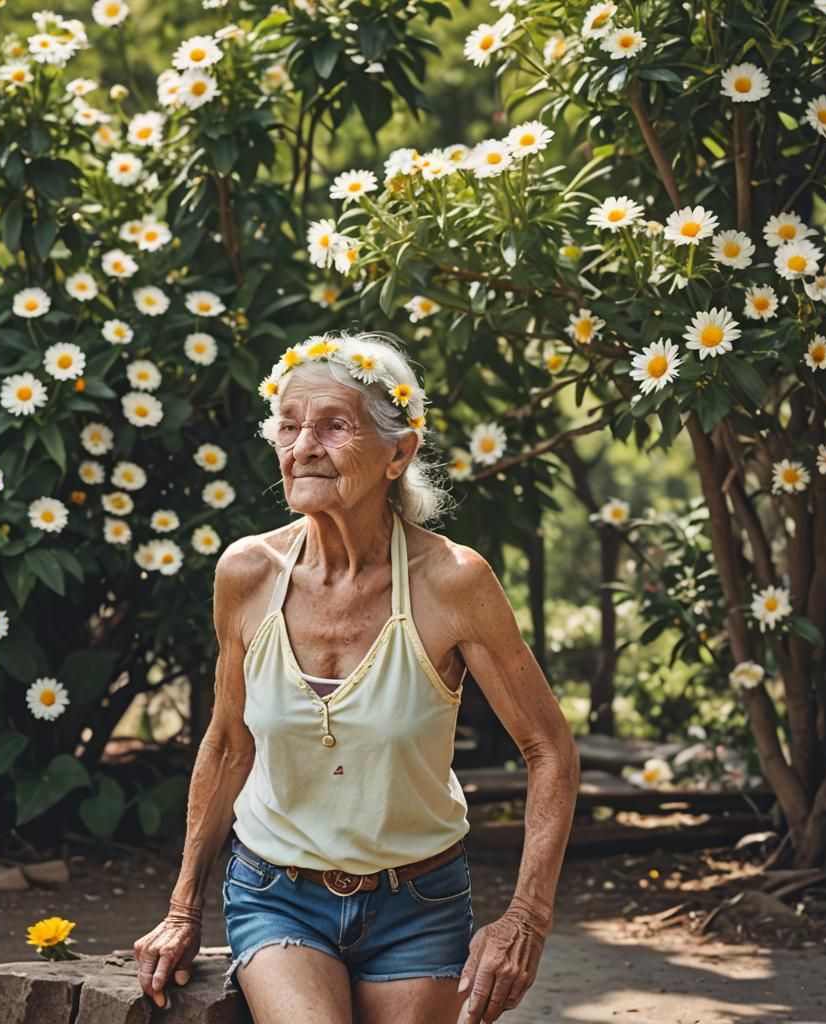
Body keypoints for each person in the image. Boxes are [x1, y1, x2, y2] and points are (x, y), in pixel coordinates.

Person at [134, 330, 580, 1024]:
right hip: (276, 891)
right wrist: (182, 907)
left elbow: (549, 749)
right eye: (289, 425)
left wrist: (526, 919)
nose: (303, 446)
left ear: (399, 451)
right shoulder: (246, 574)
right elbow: (226, 746)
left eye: (334, 426)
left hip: (421, 900)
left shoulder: (454, 583)